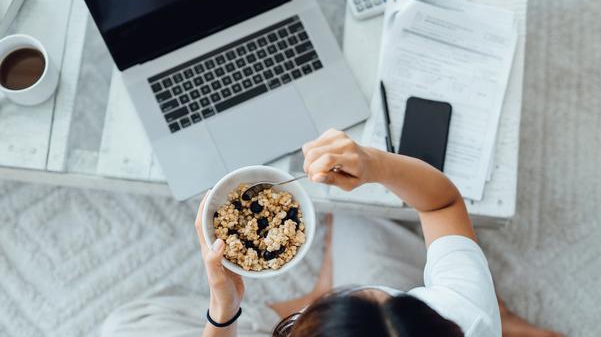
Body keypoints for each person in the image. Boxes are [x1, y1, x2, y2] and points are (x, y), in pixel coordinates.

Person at [102, 129, 564, 337]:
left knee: (121, 328)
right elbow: (442, 203)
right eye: (393, 298)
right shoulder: (465, 315)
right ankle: (507, 320)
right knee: (360, 211)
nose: (357, 290)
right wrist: (375, 164)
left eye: (334, 302)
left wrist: (225, 313)